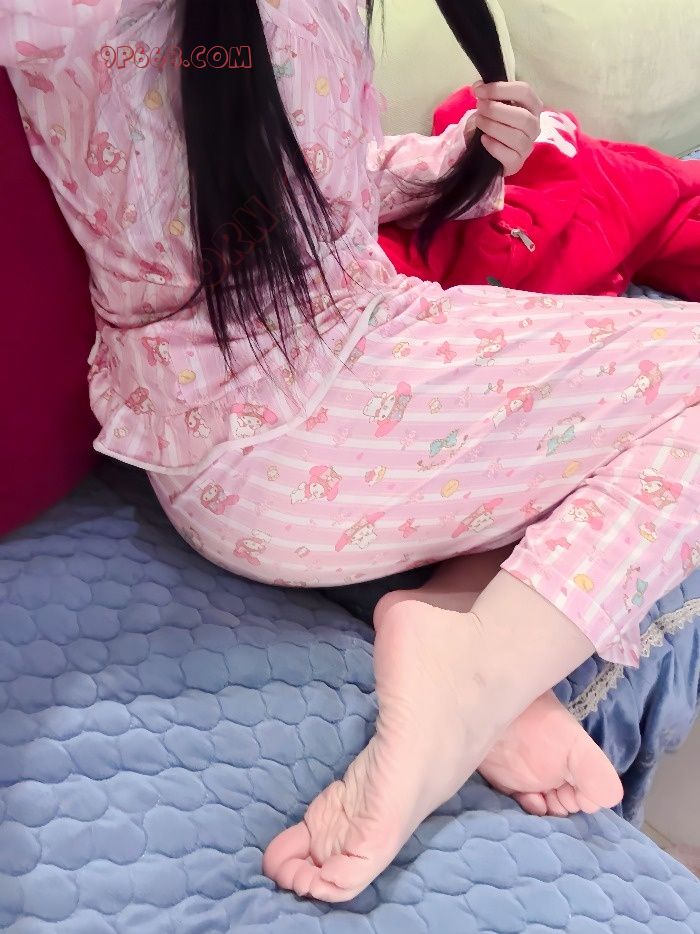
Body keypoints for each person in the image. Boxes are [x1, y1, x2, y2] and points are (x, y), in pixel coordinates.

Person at [2, 0, 698, 904]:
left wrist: (458, 158)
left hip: (281, 417)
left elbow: (301, 185)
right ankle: (474, 673)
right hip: (309, 416)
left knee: (600, 423)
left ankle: (461, 615)